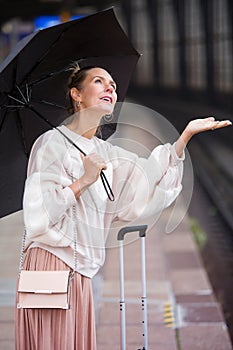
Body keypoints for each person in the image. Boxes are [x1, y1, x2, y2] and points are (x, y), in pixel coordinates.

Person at [15, 64, 232, 350]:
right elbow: (39, 215)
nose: (110, 88)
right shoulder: (52, 144)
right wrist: (84, 180)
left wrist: (184, 138)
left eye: (113, 85)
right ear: (76, 94)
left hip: (82, 271)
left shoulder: (104, 151)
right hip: (52, 265)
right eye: (99, 81)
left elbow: (145, 175)